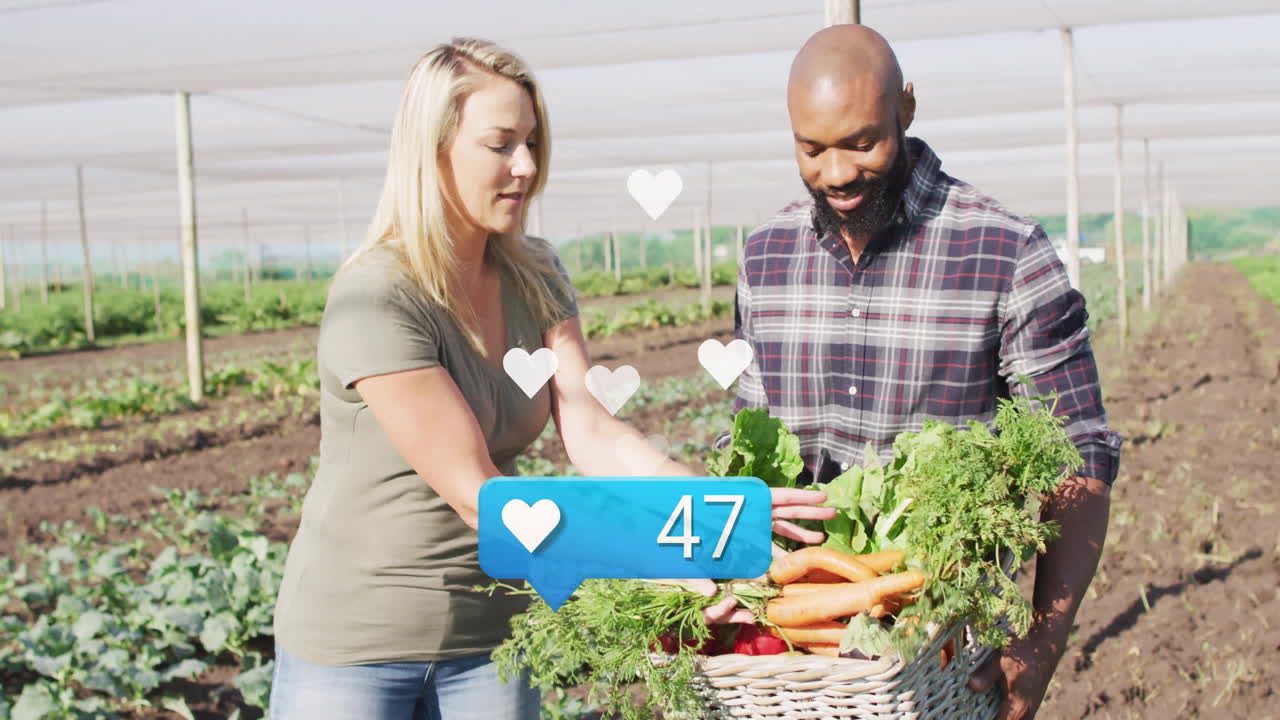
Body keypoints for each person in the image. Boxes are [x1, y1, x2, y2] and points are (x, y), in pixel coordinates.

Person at [269, 37, 832, 720]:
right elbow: (478, 496)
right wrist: (652, 549)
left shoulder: (533, 274)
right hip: (357, 642)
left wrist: (716, 515)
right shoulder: (378, 297)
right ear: (433, 148)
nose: (527, 166)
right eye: (501, 144)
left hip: (493, 638)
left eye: (532, 143)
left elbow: (593, 429)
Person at [720, 24, 1122, 720]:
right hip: (795, 649)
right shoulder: (766, 258)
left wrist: (1045, 640)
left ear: (906, 108)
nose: (837, 173)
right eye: (811, 149)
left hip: (944, 650)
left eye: (862, 142)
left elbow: (1077, 453)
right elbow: (747, 454)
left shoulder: (1006, 252)